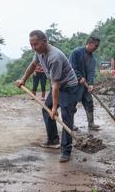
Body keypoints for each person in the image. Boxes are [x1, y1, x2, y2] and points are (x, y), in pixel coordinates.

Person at [16, 30, 81, 163]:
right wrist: (23, 79)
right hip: (57, 85)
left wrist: (55, 108)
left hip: (68, 86)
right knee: (46, 108)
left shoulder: (54, 57)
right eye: (31, 45)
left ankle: (66, 150)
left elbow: (55, 86)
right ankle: (53, 139)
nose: (34, 47)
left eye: (36, 44)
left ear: (44, 41)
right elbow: (33, 65)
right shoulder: (39, 52)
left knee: (66, 116)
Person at [69, 36, 100, 131]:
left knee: (89, 103)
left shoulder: (92, 58)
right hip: (75, 84)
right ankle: (70, 124)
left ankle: (91, 123)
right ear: (89, 44)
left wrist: (90, 84)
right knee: (72, 105)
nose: (96, 48)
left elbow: (91, 72)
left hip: (85, 85)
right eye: (96, 46)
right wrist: (79, 77)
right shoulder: (76, 52)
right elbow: (71, 66)